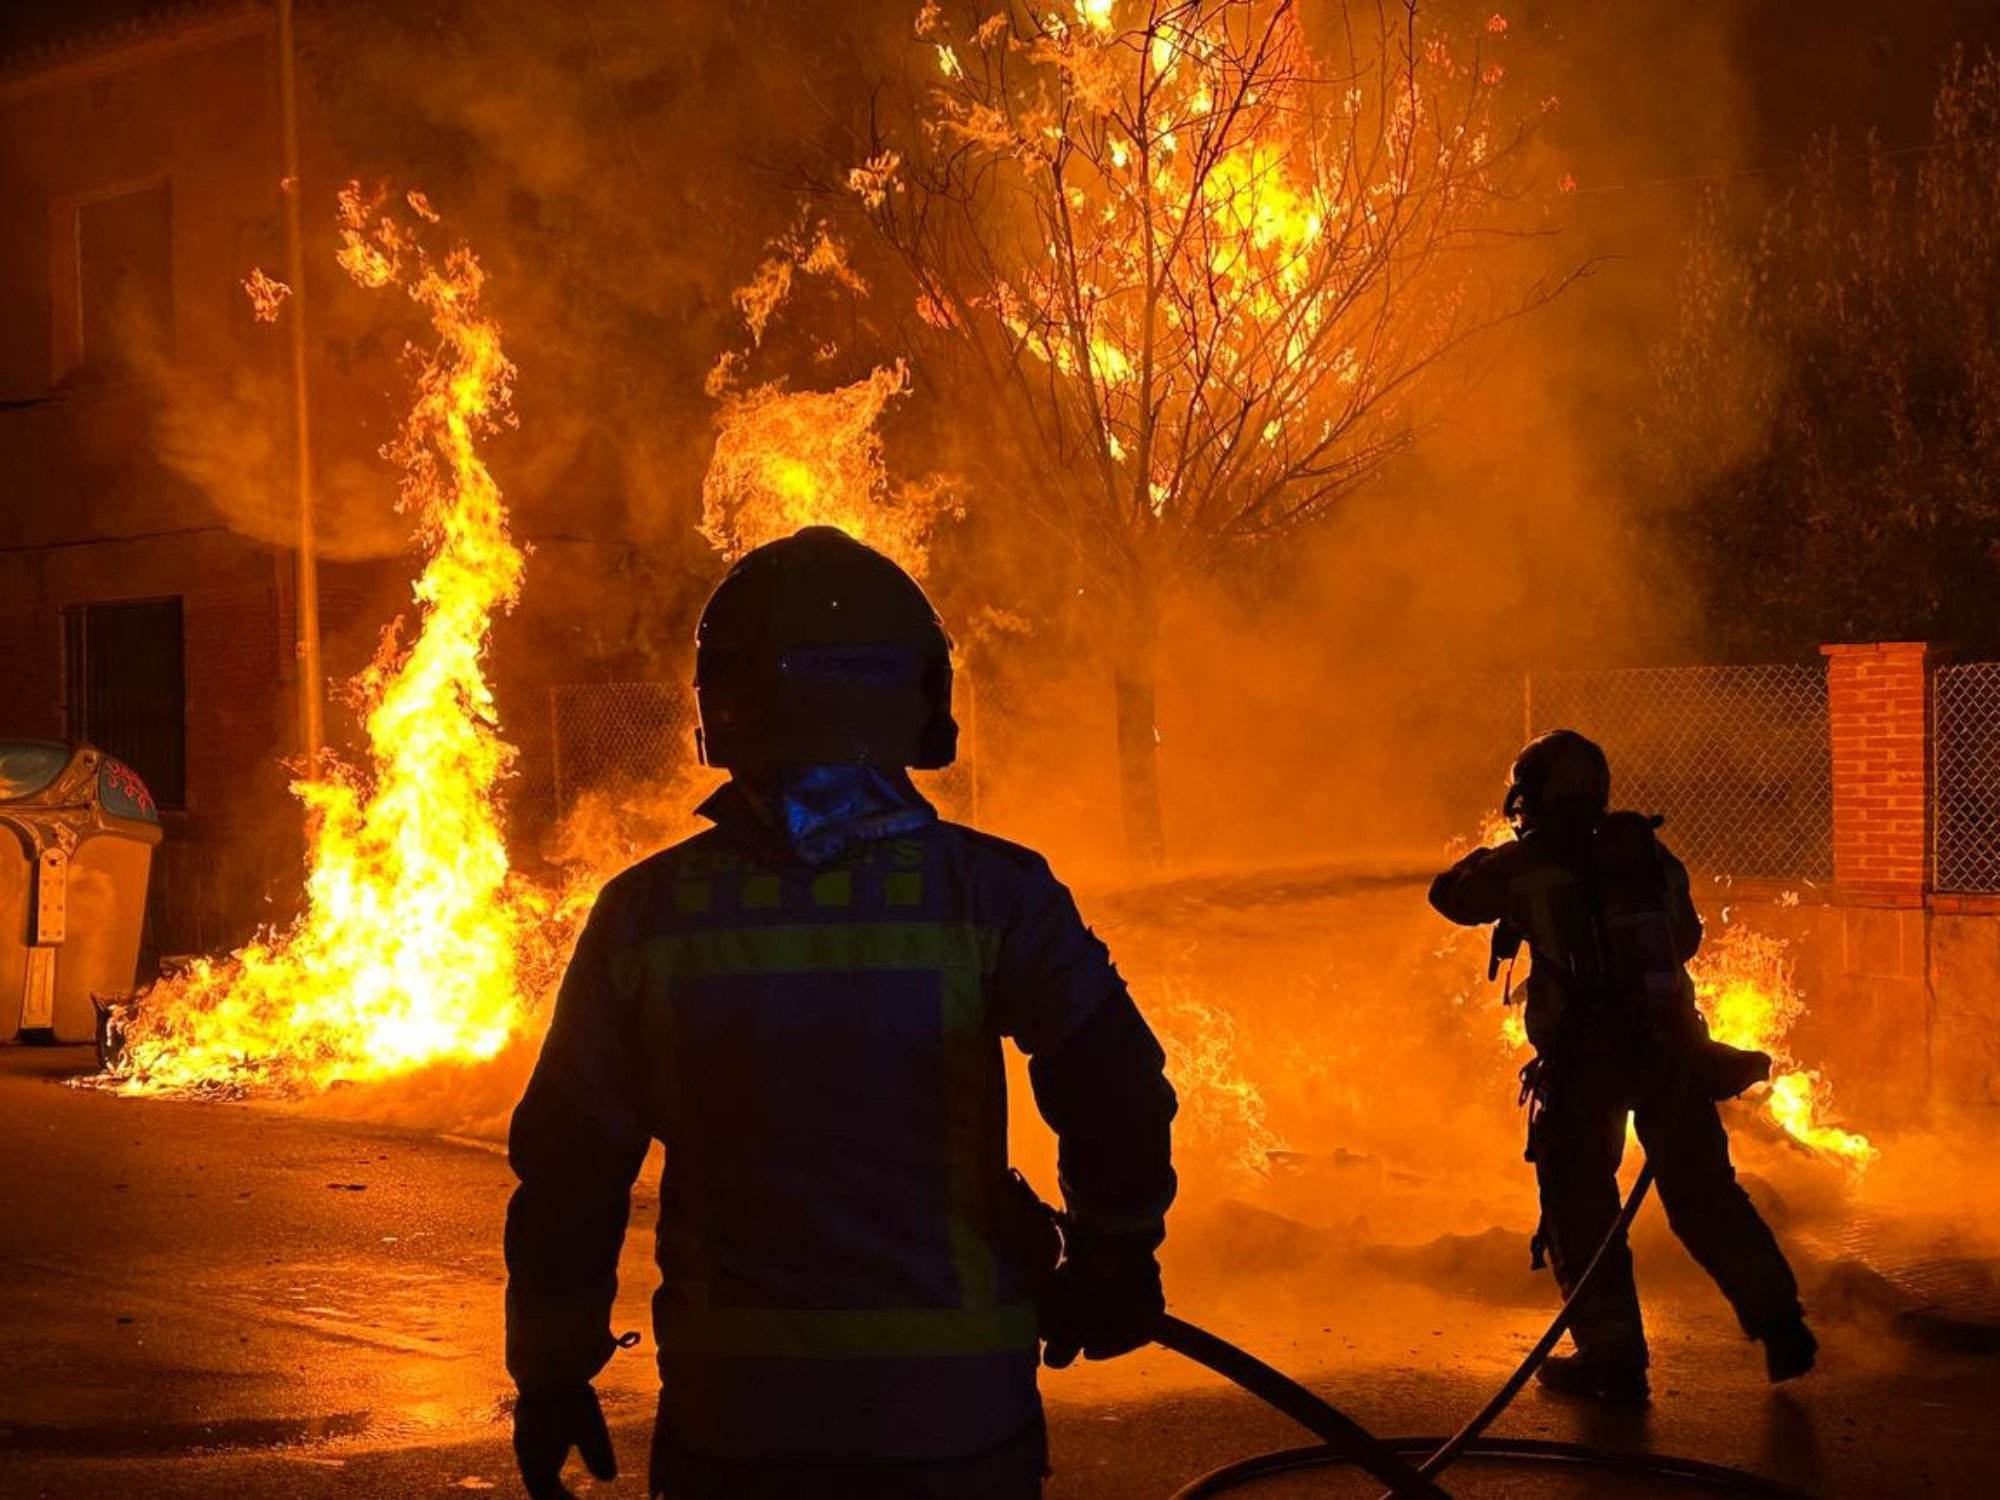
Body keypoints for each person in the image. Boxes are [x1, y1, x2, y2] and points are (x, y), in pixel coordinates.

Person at [505, 527, 1178, 1499]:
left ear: (723, 708)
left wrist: (551, 1373)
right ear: (917, 700)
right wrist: (1111, 1258)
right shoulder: (991, 896)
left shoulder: (646, 917)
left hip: (734, 1431)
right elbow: (1113, 1090)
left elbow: (570, 1173)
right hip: (954, 1429)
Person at [1429, 729, 1816, 1403]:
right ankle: (1783, 1326)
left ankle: (1612, 1359)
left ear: (1535, 795)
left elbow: (1451, 899)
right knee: (1706, 1200)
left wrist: (1493, 866)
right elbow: (1686, 939)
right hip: (1671, 1053)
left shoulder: (1526, 864)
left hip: (1584, 1069)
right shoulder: (1647, 854)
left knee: (1580, 1208)